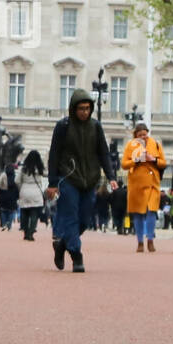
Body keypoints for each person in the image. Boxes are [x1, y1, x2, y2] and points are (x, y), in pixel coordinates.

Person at [46, 89, 117, 272]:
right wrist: (53, 182)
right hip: (68, 178)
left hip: (90, 179)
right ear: (73, 108)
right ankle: (77, 256)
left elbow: (103, 153)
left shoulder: (96, 126)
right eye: (81, 108)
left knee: (84, 220)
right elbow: (54, 155)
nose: (84, 112)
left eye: (87, 108)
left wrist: (111, 176)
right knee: (70, 217)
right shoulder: (63, 126)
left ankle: (62, 245)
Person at [120, 122, 167, 253]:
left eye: (145, 135)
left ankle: (150, 239)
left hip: (153, 183)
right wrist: (136, 160)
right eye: (140, 135)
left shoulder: (156, 144)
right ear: (135, 136)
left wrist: (153, 159)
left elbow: (163, 163)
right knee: (138, 213)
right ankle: (140, 241)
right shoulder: (130, 145)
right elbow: (124, 164)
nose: (143, 137)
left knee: (152, 211)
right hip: (136, 184)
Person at [16, 150, 46, 241]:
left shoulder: (23, 169)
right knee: (34, 214)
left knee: (24, 212)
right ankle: (31, 232)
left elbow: (17, 181)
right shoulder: (40, 169)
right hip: (36, 192)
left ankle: (25, 231)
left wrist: (20, 188)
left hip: (24, 190)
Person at [0, 163, 18, 230]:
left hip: (3, 194)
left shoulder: (3, 175)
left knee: (3, 210)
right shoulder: (15, 176)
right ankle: (9, 225)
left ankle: (4, 223)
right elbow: (17, 185)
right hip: (12, 196)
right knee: (11, 211)